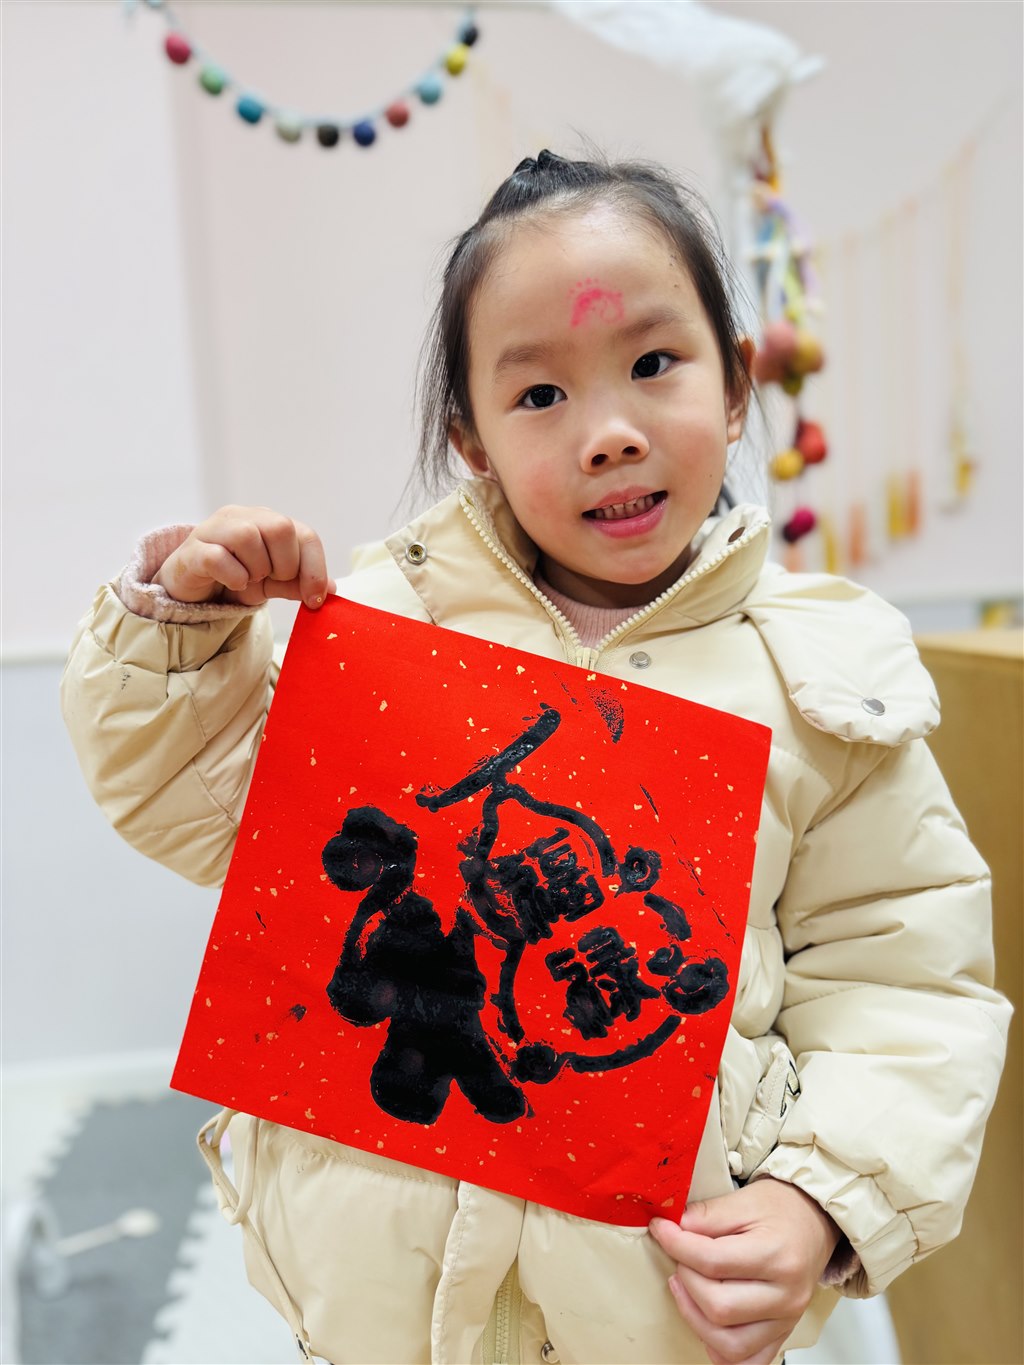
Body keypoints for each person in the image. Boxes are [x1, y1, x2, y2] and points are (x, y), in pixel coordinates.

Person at [61, 150, 1009, 1365]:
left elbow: (903, 979)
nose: (607, 434)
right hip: (376, 1310)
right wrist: (187, 628)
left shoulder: (816, 679)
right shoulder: (384, 631)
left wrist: (821, 1199)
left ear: (734, 387)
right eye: (541, 394)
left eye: (653, 365)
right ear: (471, 438)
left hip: (659, 1310)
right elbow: (191, 810)